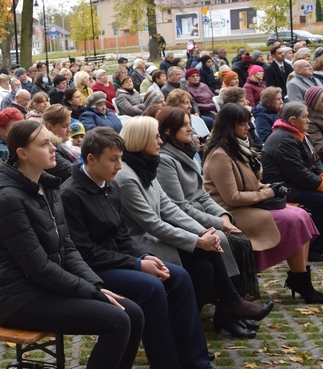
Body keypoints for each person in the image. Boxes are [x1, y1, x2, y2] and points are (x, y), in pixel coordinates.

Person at [0, 120, 142, 368]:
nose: (53, 149)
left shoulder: (47, 186)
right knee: (118, 320)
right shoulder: (7, 198)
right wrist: (91, 292)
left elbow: (68, 248)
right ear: (22, 153)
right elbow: (37, 266)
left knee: (132, 312)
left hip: (46, 287)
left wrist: (95, 285)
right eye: (44, 144)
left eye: (52, 142)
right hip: (18, 297)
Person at [62, 126, 212, 367]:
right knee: (151, 287)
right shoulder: (70, 194)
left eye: (120, 158)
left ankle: (195, 360)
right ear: (90, 159)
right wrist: (136, 264)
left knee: (179, 276)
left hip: (116, 260)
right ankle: (166, 362)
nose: (119, 166)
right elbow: (84, 252)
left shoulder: (110, 186)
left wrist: (144, 257)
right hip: (91, 270)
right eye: (112, 160)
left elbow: (121, 236)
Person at [115, 117, 274, 321]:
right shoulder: (128, 177)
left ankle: (198, 320)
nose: (160, 141)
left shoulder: (145, 166)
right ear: (141, 139)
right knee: (206, 256)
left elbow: (168, 207)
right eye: (155, 137)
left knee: (206, 264)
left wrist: (201, 231)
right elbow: (152, 224)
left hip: (156, 235)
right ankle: (227, 306)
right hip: (140, 243)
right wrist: (198, 240)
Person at [203, 104, 323, 304]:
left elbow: (250, 182)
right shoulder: (220, 155)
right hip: (231, 212)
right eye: (242, 124)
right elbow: (232, 197)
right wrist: (269, 192)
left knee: (301, 215)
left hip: (250, 204)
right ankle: (301, 281)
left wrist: (270, 186)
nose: (248, 128)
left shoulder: (237, 148)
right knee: (292, 220)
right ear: (229, 126)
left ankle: (300, 278)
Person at [157, 107, 263, 331]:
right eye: (184, 124)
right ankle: (229, 309)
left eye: (189, 122)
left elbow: (202, 194)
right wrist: (218, 223)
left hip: (200, 214)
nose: (190, 128)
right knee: (230, 242)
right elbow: (180, 206)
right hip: (185, 220)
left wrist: (222, 215)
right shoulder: (166, 159)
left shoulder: (187, 150)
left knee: (239, 239)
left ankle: (231, 310)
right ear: (168, 130)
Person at [261, 101, 323, 262]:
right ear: (293, 120)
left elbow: (316, 160)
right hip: (283, 186)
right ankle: (308, 246)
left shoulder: (298, 133)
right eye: (305, 117)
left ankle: (319, 242)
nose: (309, 121)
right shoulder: (283, 139)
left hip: (298, 182)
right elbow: (297, 173)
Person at [42, 105, 78, 182]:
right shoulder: (51, 148)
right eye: (65, 126)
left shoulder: (65, 144)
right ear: (50, 127)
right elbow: (71, 171)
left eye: (69, 125)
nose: (69, 130)